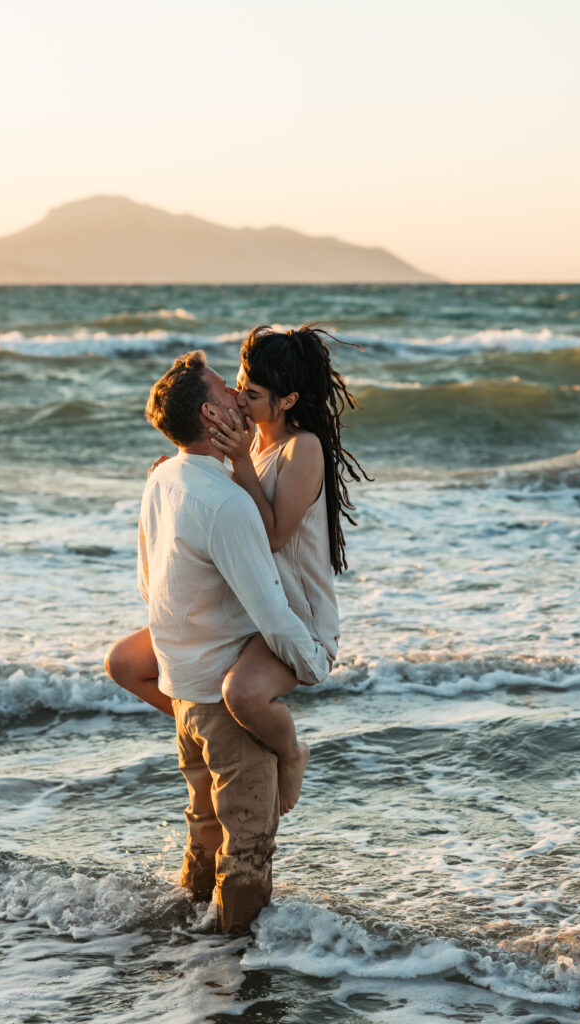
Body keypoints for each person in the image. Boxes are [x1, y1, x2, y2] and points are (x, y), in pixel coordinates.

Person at [105, 324, 369, 815]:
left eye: (251, 392)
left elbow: (270, 537)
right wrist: (178, 475)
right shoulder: (246, 442)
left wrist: (238, 461)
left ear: (287, 400)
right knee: (125, 663)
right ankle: (225, 726)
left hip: (296, 617)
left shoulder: (301, 449)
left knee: (241, 692)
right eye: (238, 383)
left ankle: (290, 752)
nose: (238, 397)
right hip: (252, 614)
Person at [130, 349, 329, 934]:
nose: (239, 397)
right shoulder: (224, 501)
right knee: (245, 858)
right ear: (210, 415)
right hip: (223, 703)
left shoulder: (164, 476)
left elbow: (149, 583)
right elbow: (270, 610)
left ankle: (185, 957)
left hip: (187, 696)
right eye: (227, 389)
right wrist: (313, 663)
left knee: (204, 835)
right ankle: (240, 985)